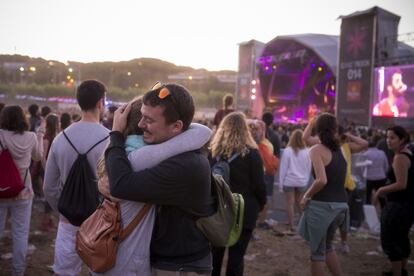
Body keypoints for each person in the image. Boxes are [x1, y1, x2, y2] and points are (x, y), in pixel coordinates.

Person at [105, 83, 214, 275]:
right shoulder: (174, 151)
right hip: (171, 261)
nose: (140, 125)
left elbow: (120, 185)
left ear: (176, 126)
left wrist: (116, 135)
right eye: (141, 117)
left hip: (178, 267)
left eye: (148, 120)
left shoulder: (186, 165)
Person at [43, 80, 110, 276]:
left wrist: (65, 209)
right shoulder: (110, 139)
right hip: (101, 223)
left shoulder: (60, 138)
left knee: (64, 272)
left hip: (68, 221)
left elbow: (49, 188)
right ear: (100, 103)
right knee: (99, 271)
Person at [210, 112, 266, 276]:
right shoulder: (252, 154)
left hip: (218, 210)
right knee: (236, 258)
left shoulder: (213, 152)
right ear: (245, 130)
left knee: (214, 257)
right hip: (244, 211)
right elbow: (259, 185)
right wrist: (261, 204)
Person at [298, 113, 349, 276]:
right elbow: (306, 138)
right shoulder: (339, 148)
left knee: (317, 253)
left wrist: (306, 196)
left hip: (323, 207)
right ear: (335, 129)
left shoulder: (317, 150)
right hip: (341, 206)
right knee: (327, 247)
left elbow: (321, 180)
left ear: (318, 130)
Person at [0, 105, 44, 276]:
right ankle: (18, 271)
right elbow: (38, 157)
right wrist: (40, 136)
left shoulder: (1, 135)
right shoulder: (31, 137)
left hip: (1, 190)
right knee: (20, 233)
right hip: (23, 191)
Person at [373, 126, 414, 276]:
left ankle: (397, 272)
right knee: (401, 237)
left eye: (392, 138)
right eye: (387, 137)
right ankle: (400, 270)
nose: (388, 141)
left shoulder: (400, 157)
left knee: (391, 239)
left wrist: (380, 191)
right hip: (407, 205)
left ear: (402, 139)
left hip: (398, 205)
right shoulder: (407, 153)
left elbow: (401, 184)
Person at [279, 129, 311, 232]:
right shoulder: (307, 151)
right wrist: (305, 181)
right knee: (299, 203)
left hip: (289, 181)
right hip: (302, 181)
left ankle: (291, 226)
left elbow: (283, 169)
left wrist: (280, 184)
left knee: (290, 203)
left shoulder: (287, 151)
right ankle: (304, 225)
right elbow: (308, 168)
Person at [363, 134, 389, 209]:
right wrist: (384, 173)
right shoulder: (382, 153)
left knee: (367, 197)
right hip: (381, 177)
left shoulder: (366, 154)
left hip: (369, 178)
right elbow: (386, 165)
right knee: (382, 198)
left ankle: (368, 213)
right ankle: (384, 211)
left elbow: (363, 167)